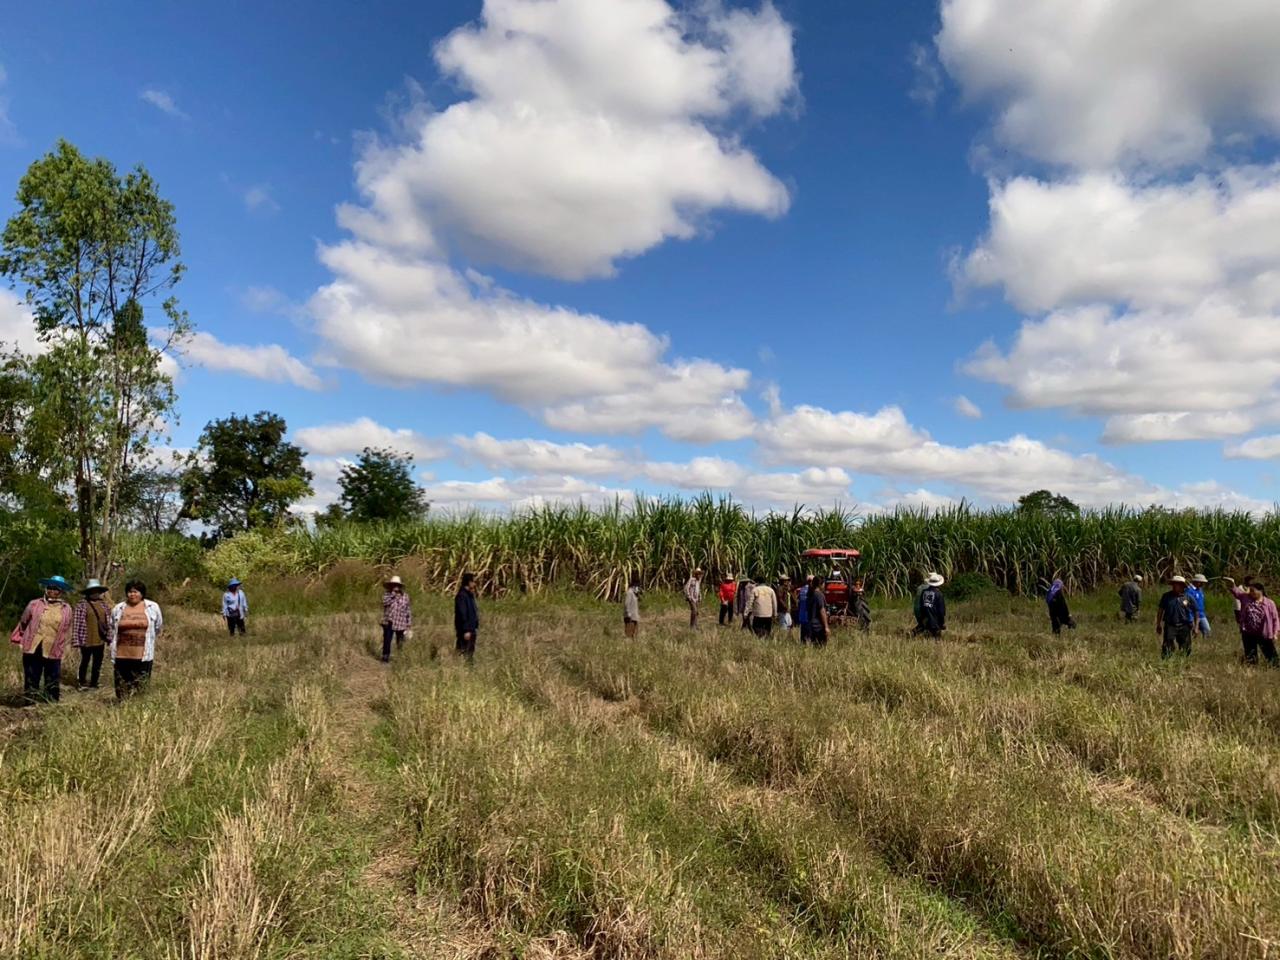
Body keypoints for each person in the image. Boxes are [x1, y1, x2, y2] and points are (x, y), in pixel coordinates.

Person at [10, 575, 75, 703]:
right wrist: (23, 637)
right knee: (31, 676)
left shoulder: (66, 609)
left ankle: (50, 703)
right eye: (50, 588)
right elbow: (24, 621)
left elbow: (66, 628)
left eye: (56, 589)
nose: (52, 591)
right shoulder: (34, 604)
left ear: (61, 591)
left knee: (52, 677)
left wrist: (66, 647)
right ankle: (29, 702)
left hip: (53, 647)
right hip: (34, 647)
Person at [110, 580, 163, 699]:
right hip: (122, 655)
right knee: (122, 686)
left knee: (141, 686)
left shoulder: (152, 607)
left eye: (136, 592)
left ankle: (138, 706)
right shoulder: (118, 608)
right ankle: (122, 706)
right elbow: (113, 626)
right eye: (130, 592)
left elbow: (158, 627)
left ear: (142, 593)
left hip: (143, 655)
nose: (132, 594)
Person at [1224, 577, 1279, 666]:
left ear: (1260, 591)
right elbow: (1236, 592)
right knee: (1250, 655)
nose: (1251, 593)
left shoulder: (1269, 603)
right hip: (1248, 632)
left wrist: (1275, 633)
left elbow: (1275, 619)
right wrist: (1232, 583)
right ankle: (1252, 669)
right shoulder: (1245, 598)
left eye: (1253, 591)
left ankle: (1275, 667)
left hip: (1264, 633)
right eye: (1250, 591)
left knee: (1271, 655)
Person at [72, 579, 112, 690]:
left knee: (97, 662)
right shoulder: (81, 605)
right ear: (88, 592)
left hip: (100, 639)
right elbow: (76, 623)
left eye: (97, 591)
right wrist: (76, 640)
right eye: (92, 591)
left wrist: (109, 637)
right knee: (85, 661)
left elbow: (109, 622)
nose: (95, 593)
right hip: (86, 639)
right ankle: (82, 682)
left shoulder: (104, 605)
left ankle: (94, 682)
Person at [1155, 575, 1196, 659]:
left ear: (1182, 586)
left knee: (1186, 647)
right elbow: (1160, 610)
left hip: (1184, 625)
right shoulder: (1166, 596)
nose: (1174, 586)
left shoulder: (1188, 597)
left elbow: (1196, 611)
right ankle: (1167, 661)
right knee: (1167, 646)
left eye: (1177, 584)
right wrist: (1158, 624)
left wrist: (1196, 626)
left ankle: (1183, 660)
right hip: (1170, 625)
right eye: (1173, 584)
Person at [380, 575, 413, 663]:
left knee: (400, 641)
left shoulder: (405, 596)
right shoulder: (387, 595)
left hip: (401, 621)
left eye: (397, 585)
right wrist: (393, 595)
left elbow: (408, 610)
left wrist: (409, 623)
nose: (395, 586)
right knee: (387, 640)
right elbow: (385, 603)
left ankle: (399, 658)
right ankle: (385, 657)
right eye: (394, 585)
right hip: (389, 621)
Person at [454, 573, 480, 661]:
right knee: (463, 652)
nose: (475, 584)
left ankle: (466, 666)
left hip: (471, 629)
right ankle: (458, 666)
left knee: (469, 653)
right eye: (473, 581)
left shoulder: (469, 595)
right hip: (466, 630)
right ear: (468, 582)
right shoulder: (462, 596)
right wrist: (466, 630)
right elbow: (462, 614)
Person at [914, 573, 946, 639]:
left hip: (925, 618)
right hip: (934, 619)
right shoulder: (939, 594)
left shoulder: (924, 592)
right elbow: (941, 611)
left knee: (923, 630)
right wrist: (942, 622)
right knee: (936, 637)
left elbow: (921, 605)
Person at [806, 578, 830, 646]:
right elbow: (822, 610)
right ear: (820, 585)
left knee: (814, 647)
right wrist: (826, 627)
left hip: (811, 625)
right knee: (821, 647)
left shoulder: (810, 594)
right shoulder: (819, 595)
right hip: (818, 626)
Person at [796, 575, 813, 643]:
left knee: (803, 634)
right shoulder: (810, 590)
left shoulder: (802, 589)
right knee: (808, 635)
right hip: (808, 616)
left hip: (802, 616)